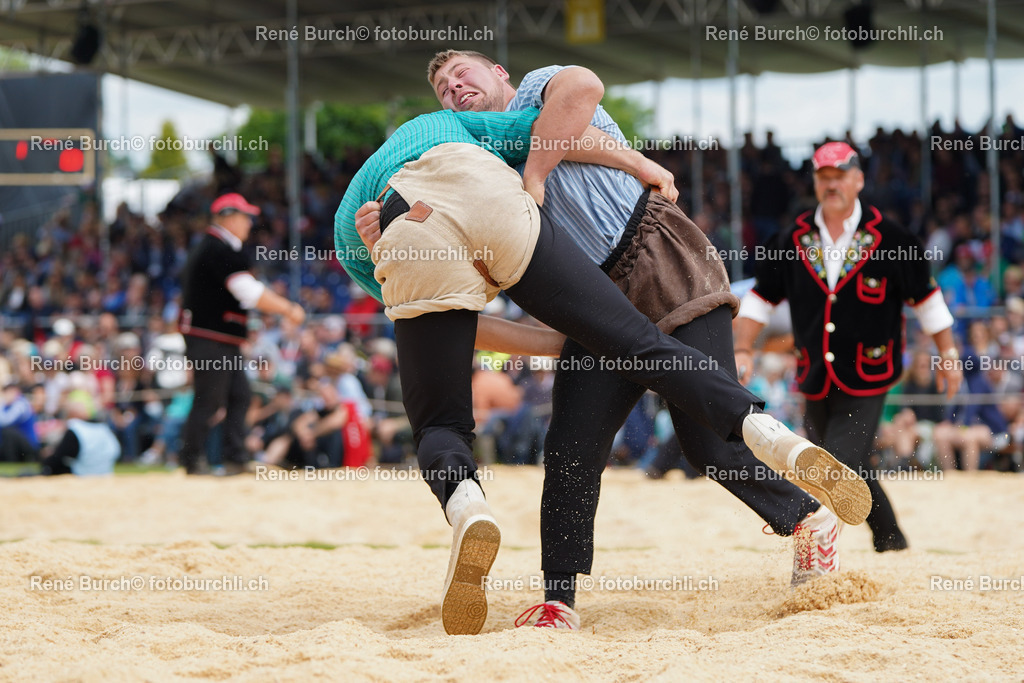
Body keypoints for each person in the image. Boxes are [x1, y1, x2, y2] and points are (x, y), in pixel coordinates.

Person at [355, 51, 857, 630]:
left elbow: (580, 92)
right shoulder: (475, 165)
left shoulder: (536, 91)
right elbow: (465, 308)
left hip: (659, 256)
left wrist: (540, 178)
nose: (453, 87)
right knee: (570, 450)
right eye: (443, 87)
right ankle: (558, 600)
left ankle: (808, 519)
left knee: (709, 446)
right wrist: (390, 232)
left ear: (498, 72)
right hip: (593, 302)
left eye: (462, 73)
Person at [734, 141, 963, 553]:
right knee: (844, 463)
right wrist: (743, 348)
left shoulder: (894, 238)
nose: (831, 184)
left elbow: (927, 300)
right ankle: (891, 538)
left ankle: (815, 551)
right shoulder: (791, 237)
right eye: (824, 177)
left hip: (870, 373)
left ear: (858, 179)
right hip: (814, 373)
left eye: (840, 175)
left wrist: (948, 356)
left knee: (830, 463)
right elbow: (761, 297)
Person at [178, 193, 306, 475]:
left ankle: (234, 457)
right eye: (245, 217)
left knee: (239, 395)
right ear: (228, 217)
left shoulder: (215, 247)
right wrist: (288, 309)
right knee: (209, 399)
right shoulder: (219, 249)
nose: (249, 223)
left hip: (219, 338)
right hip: (211, 337)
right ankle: (192, 459)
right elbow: (247, 291)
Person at [41, 390, 121, 476]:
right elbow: (116, 451)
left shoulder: (75, 429)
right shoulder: (104, 429)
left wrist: (45, 460)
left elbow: (59, 457)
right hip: (105, 474)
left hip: (81, 475)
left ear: (72, 412)